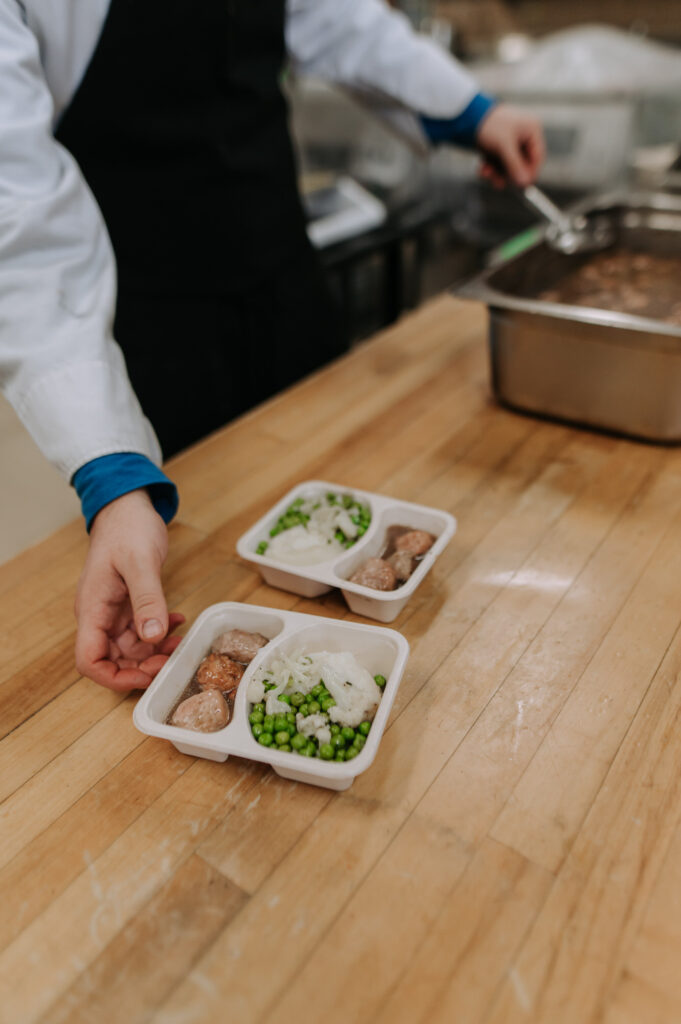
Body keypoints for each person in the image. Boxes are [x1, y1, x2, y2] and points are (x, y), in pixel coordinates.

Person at [0, 0, 544, 691]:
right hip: (148, 306)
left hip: (278, 262)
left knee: (333, 487)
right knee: (211, 535)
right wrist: (113, 477)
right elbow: (19, 218)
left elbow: (334, 14)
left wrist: (468, 110)